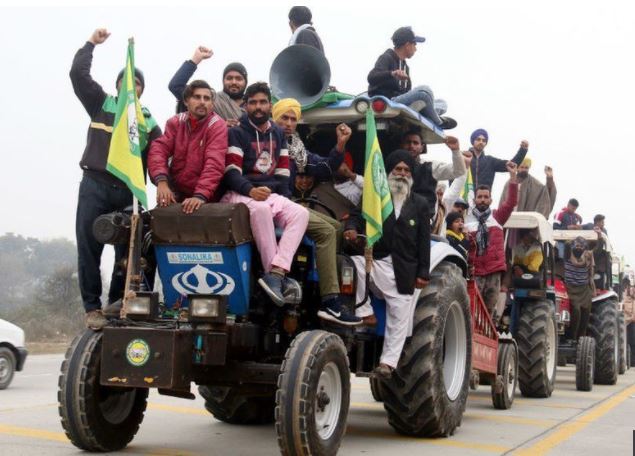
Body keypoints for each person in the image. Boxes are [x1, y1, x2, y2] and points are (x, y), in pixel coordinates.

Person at [70, 28, 162, 330]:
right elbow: (78, 75)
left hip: (127, 192)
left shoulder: (148, 121)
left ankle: (115, 304)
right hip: (94, 187)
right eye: (126, 81)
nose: (131, 86)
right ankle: (92, 308)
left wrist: (163, 182)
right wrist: (90, 44)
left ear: (142, 89)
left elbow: (160, 158)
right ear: (118, 85)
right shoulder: (101, 103)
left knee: (128, 252)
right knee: (88, 248)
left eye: (137, 83)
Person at [272, 98, 360, 325]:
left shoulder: (295, 146)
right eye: (284, 117)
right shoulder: (267, 141)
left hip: (287, 203)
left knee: (337, 226)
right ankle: (330, 300)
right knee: (326, 232)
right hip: (272, 202)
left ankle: (316, 281)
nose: (289, 123)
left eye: (293, 119)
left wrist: (340, 144)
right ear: (274, 118)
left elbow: (323, 167)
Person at [344, 149, 431, 378]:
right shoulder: (375, 196)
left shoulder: (420, 204)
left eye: (406, 170)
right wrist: (351, 229)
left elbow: (424, 240)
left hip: (405, 271)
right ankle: (365, 312)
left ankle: (387, 364)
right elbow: (355, 215)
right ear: (389, 172)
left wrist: (423, 272)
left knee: (399, 318)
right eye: (398, 169)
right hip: (377, 262)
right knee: (353, 264)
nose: (402, 174)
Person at [223, 82, 309, 305]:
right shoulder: (236, 132)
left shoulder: (278, 133)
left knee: (300, 214)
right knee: (261, 210)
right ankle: (274, 279)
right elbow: (231, 174)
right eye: (252, 103)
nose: (258, 107)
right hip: (239, 193)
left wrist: (281, 198)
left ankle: (276, 273)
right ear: (246, 106)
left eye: (262, 102)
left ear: (270, 105)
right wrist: (251, 190)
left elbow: (282, 175)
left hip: (267, 194)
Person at [148, 80, 228, 213]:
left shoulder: (217, 125)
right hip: (177, 192)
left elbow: (214, 164)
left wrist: (200, 196)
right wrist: (161, 181)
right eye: (197, 97)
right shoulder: (176, 122)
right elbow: (158, 150)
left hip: (208, 197)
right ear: (186, 101)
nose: (202, 102)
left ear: (212, 104)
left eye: (207, 98)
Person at [367, 27, 455, 129]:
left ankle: (428, 112)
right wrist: (392, 73)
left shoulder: (405, 67)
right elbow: (371, 77)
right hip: (390, 101)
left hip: (404, 104)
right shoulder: (387, 57)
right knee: (425, 90)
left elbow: (407, 92)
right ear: (408, 45)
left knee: (442, 103)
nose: (416, 49)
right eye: (415, 45)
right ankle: (439, 122)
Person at [465, 162, 519, 315]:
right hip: (474, 271)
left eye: (485, 197)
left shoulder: (497, 217)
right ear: (474, 200)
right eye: (480, 197)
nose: (482, 199)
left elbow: (511, 202)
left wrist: (513, 178)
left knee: (488, 311)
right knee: (472, 309)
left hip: (493, 272)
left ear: (490, 200)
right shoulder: (467, 220)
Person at [168, 46, 247, 126]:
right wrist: (195, 60)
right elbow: (176, 86)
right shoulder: (210, 100)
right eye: (229, 78)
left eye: (238, 79)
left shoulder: (254, 104)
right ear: (223, 81)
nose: (234, 82)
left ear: (245, 82)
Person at [402, 131, 466, 209]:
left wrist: (455, 151)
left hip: (423, 217)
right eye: (408, 142)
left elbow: (459, 171)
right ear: (402, 144)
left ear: (422, 147)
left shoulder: (430, 167)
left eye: (415, 143)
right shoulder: (393, 164)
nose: (411, 146)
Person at [564, 236, 596, 341]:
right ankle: (572, 338)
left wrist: (599, 237)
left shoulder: (588, 256)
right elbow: (567, 245)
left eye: (581, 246)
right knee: (576, 311)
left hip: (584, 289)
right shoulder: (568, 255)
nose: (579, 247)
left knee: (586, 313)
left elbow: (598, 247)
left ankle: (581, 339)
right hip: (571, 289)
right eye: (576, 245)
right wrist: (569, 238)